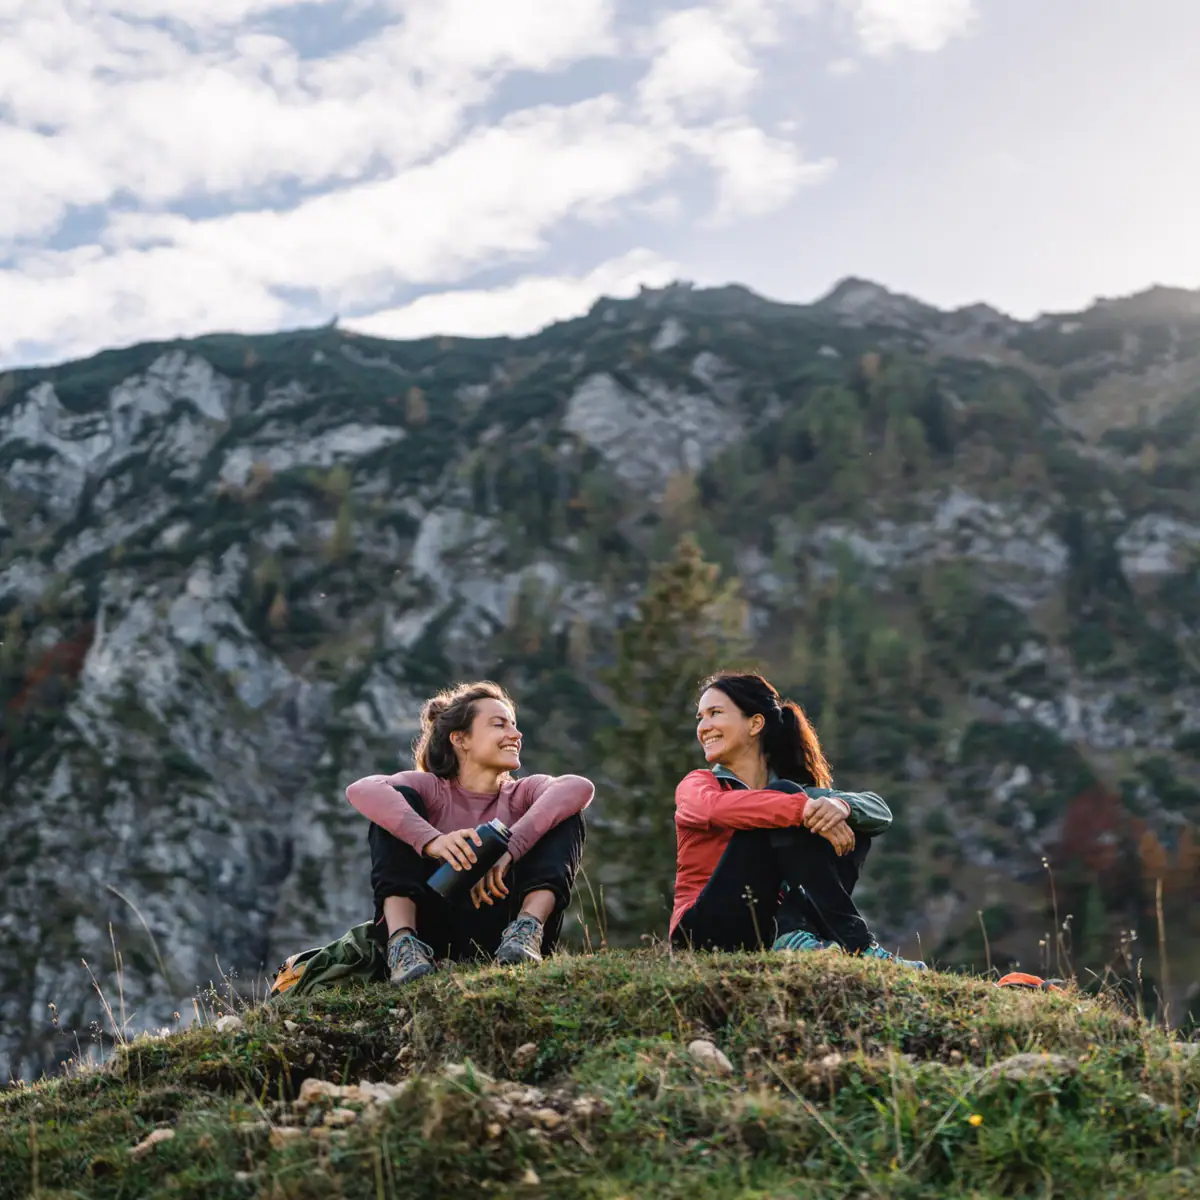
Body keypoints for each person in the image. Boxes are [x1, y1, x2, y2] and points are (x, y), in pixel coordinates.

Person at [345, 680, 593, 986]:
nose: (515, 735)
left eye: (514, 726)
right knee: (393, 810)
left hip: (503, 926)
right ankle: (403, 944)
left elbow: (578, 787)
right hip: (434, 931)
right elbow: (362, 789)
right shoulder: (432, 789)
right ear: (461, 739)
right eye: (499, 725)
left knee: (564, 814)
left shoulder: (522, 793)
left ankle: (527, 930)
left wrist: (509, 850)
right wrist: (432, 841)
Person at [670, 670, 925, 967]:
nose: (704, 727)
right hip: (702, 935)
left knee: (841, 822)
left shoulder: (797, 794)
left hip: (763, 935)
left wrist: (842, 807)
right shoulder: (698, 785)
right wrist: (800, 810)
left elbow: (879, 812)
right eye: (700, 717)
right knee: (785, 806)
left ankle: (804, 938)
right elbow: (716, 809)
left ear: (755, 723)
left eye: (715, 713)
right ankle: (856, 944)